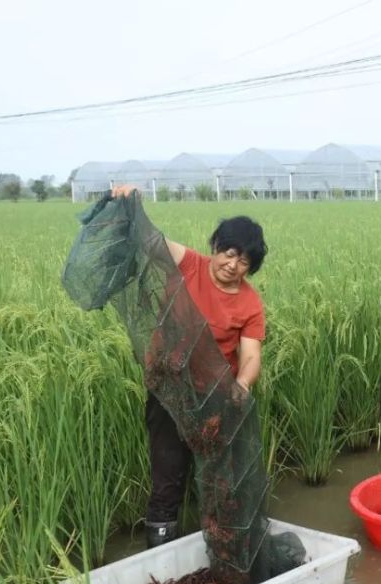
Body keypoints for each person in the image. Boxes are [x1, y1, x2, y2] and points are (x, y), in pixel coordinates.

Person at [110, 185, 268, 547]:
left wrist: (241, 387)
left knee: (220, 474)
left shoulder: (249, 303)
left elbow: (251, 355)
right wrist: (131, 204)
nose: (233, 265)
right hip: (169, 387)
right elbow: (151, 241)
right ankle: (162, 543)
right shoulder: (188, 265)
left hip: (214, 397)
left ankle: (221, 543)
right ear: (216, 248)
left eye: (244, 262)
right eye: (229, 254)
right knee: (168, 469)